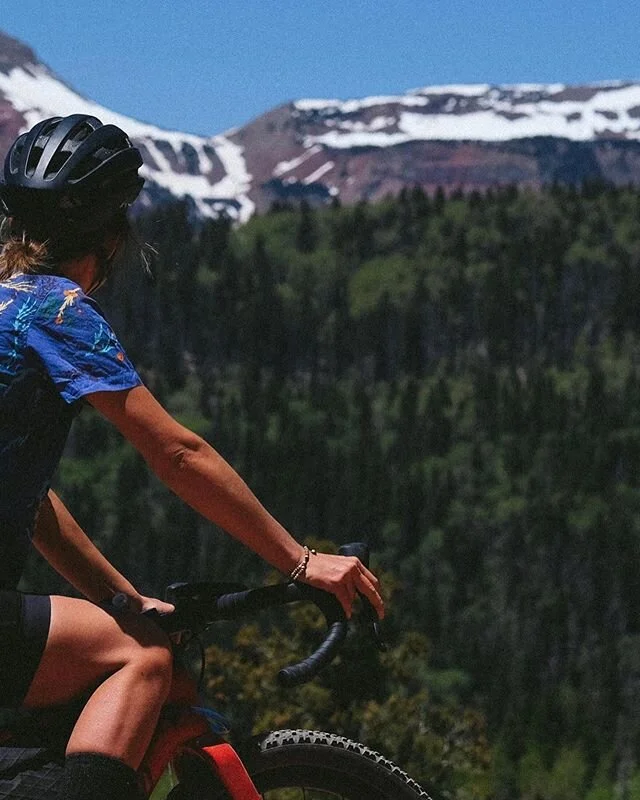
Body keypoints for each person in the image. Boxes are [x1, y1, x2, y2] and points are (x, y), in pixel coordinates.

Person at [0, 114, 384, 800]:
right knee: (140, 657)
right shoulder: (54, 312)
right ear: (116, 235)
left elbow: (31, 506)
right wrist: (300, 560)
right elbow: (176, 451)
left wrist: (119, 597)